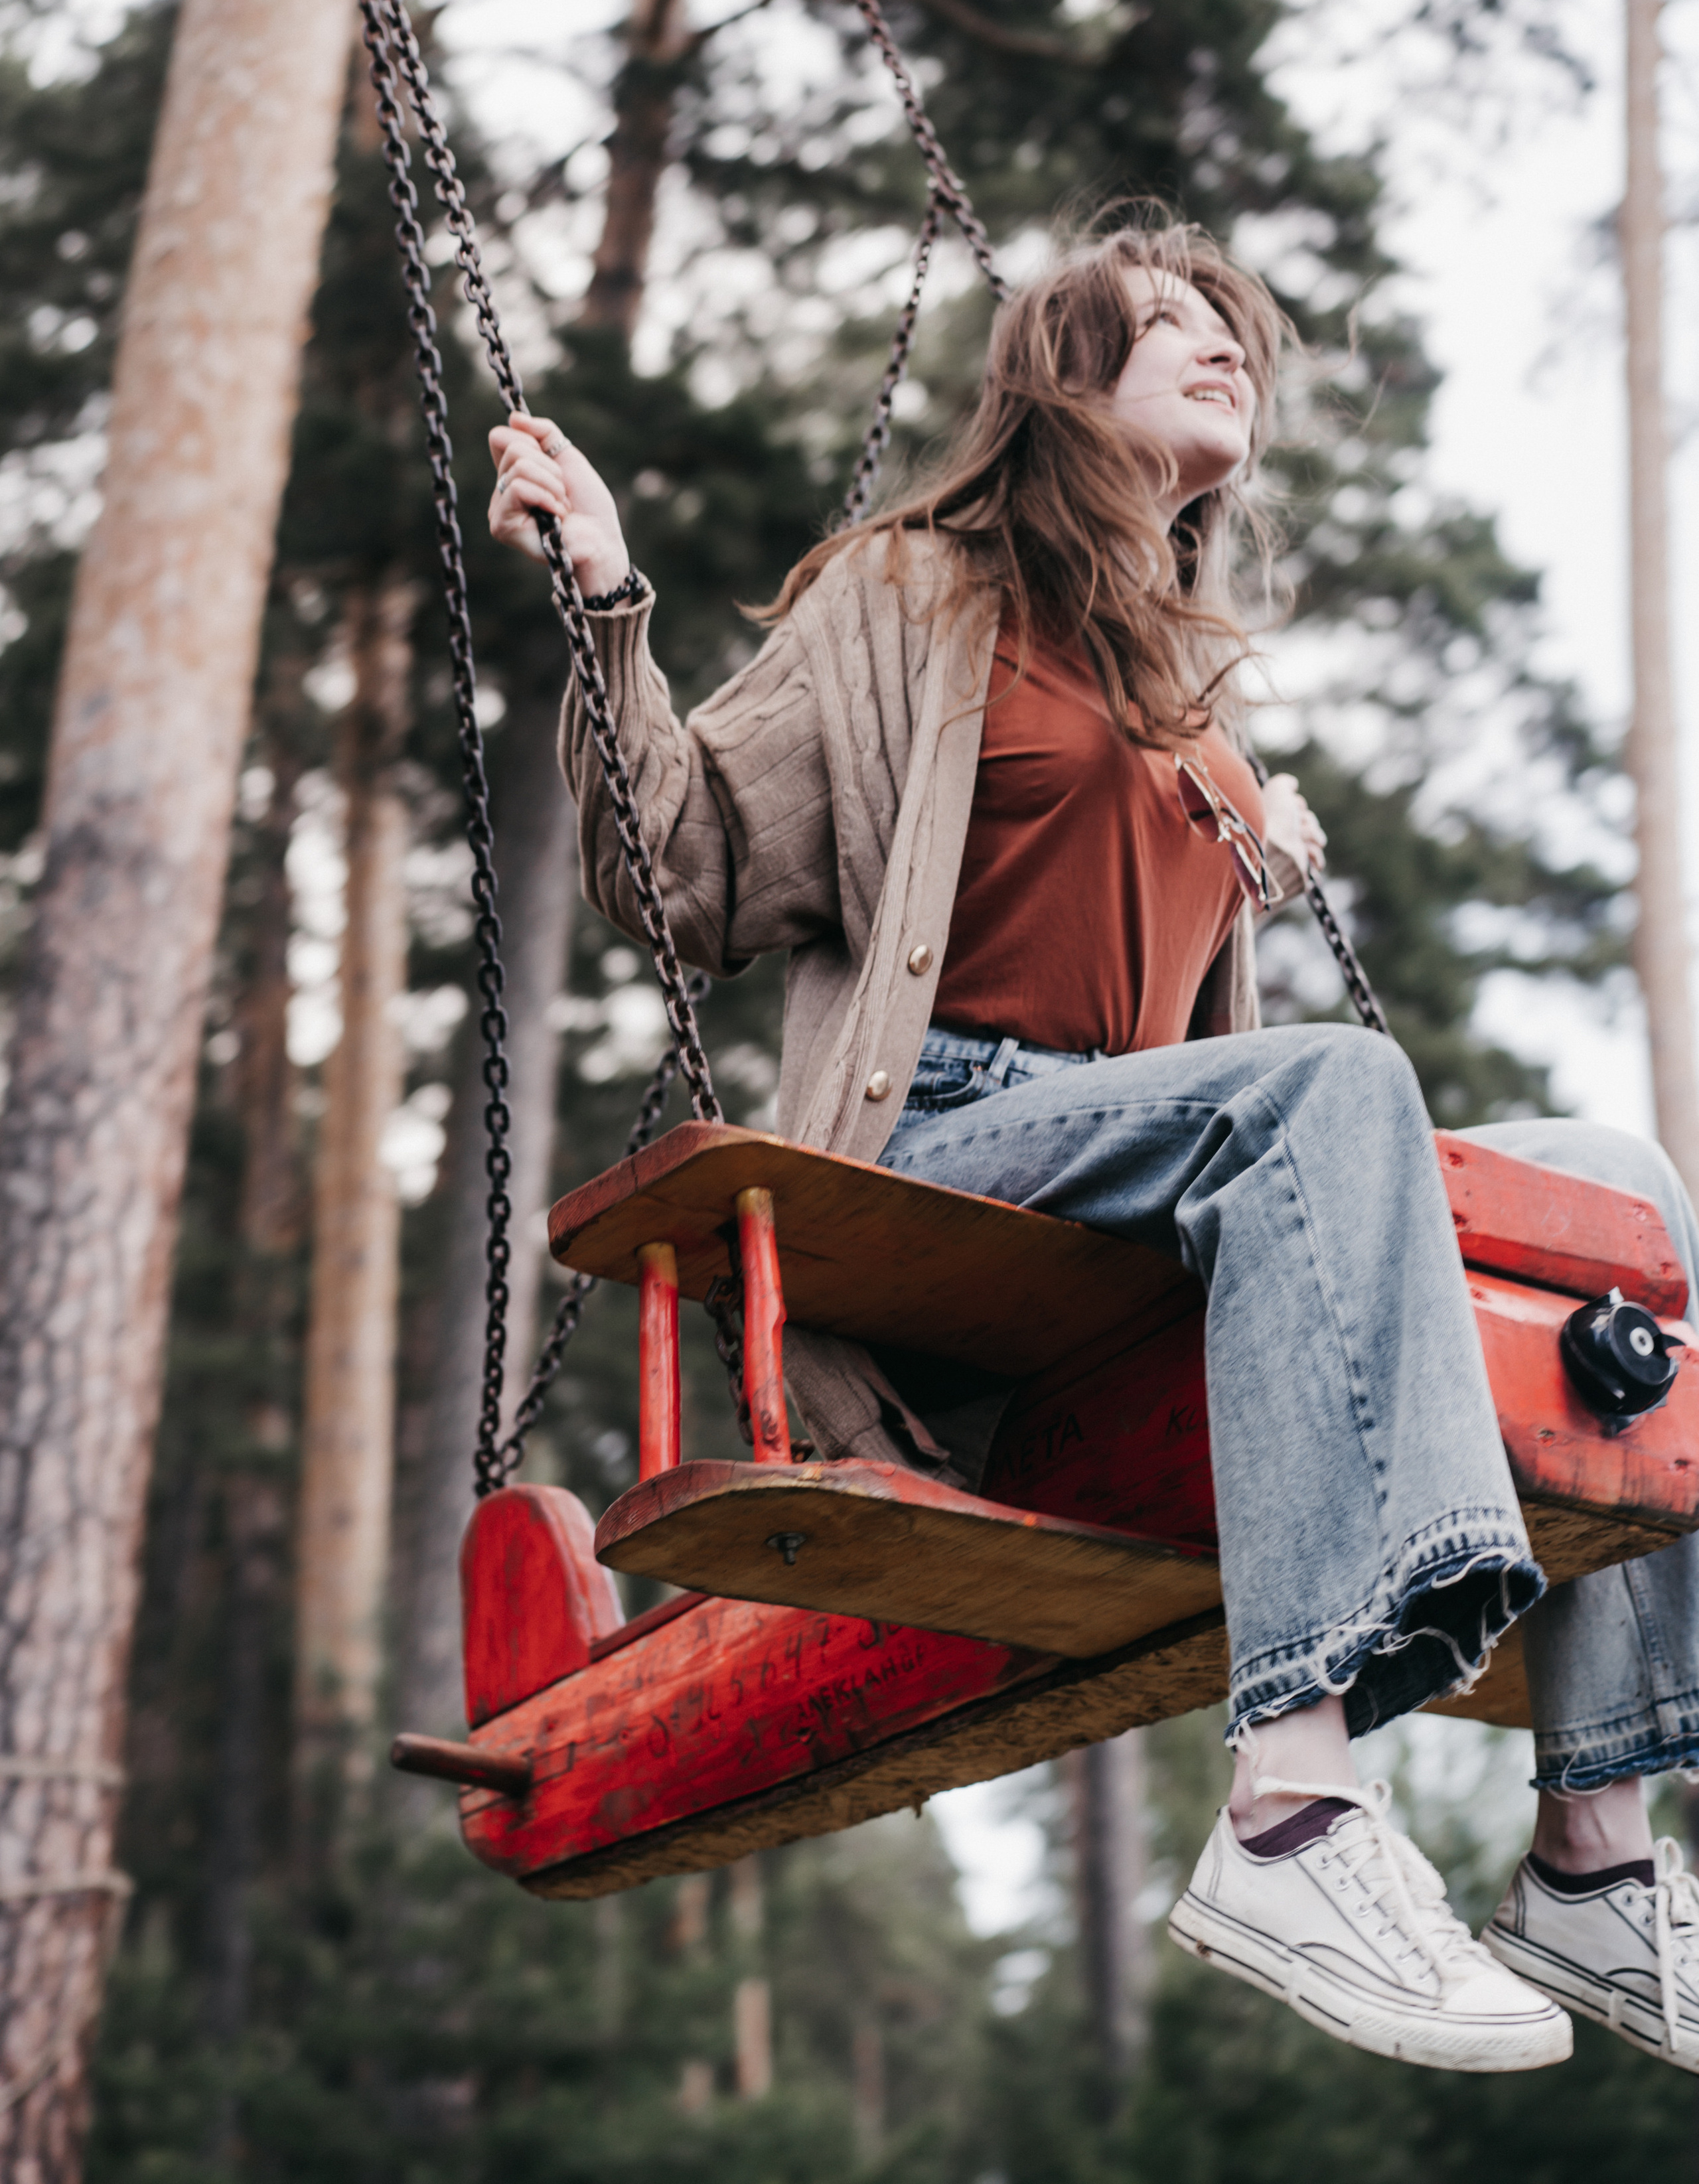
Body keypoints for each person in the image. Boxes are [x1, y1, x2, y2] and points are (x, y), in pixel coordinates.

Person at [488, 216, 1699, 2075]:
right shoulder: (912, 595)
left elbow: (1167, 1025)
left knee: (1623, 1188)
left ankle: (1597, 1851)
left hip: (1139, 1192)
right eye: (1170, 322)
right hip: (945, 1147)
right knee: (1330, 1090)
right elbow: (687, 864)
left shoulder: (1189, 698)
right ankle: (1292, 1808)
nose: (1224, 347)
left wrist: (1247, 857)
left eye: (1236, 331)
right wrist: (607, 598)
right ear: (1065, 375)